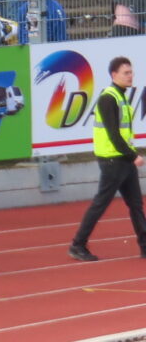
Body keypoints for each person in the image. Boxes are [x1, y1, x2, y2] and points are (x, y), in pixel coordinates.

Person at [69, 56, 146, 262]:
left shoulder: (121, 97)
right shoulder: (108, 98)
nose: (130, 76)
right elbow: (113, 134)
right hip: (112, 160)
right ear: (114, 75)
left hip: (123, 159)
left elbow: (123, 133)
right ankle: (78, 244)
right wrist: (133, 156)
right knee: (101, 203)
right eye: (126, 73)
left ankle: (145, 246)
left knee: (136, 205)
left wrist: (130, 155)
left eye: (131, 72)